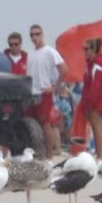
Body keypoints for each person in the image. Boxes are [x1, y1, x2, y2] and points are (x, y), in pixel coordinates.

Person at [26, 24, 67, 157]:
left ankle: (49, 156)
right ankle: (37, 154)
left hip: (44, 93)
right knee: (32, 126)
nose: (34, 37)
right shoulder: (31, 55)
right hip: (31, 93)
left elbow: (64, 70)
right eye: (31, 35)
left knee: (46, 125)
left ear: (42, 35)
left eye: (37, 34)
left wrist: (54, 87)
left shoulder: (50, 51)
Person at [81, 38, 102, 159]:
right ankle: (99, 154)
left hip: (95, 102)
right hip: (94, 101)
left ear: (93, 50)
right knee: (95, 128)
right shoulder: (95, 64)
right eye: (83, 48)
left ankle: (100, 156)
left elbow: (95, 87)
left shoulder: (97, 66)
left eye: (86, 49)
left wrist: (88, 104)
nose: (84, 51)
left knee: (96, 128)